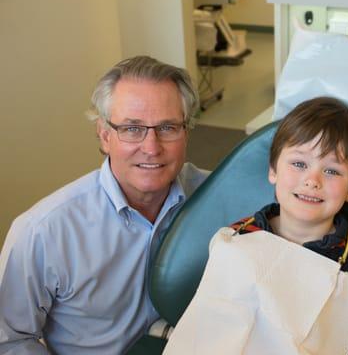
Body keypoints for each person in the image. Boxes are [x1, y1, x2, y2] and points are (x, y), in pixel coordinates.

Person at [0, 56, 208, 354]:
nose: (151, 147)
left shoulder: (212, 195)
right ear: (104, 134)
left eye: (167, 127)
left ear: (186, 131)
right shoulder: (43, 232)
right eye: (132, 129)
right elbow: (10, 340)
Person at [166, 97, 348, 354]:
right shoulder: (237, 238)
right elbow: (206, 325)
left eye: (332, 171)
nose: (312, 180)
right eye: (299, 164)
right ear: (273, 171)